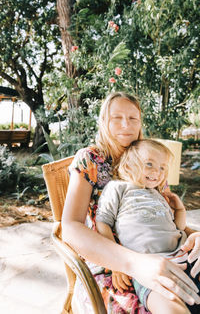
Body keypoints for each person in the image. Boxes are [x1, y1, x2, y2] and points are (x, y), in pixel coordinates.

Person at [61, 92, 200, 313]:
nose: (126, 124)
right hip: (112, 261)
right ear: (104, 122)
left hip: (166, 251)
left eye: (133, 118)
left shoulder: (150, 158)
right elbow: (70, 228)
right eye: (116, 117)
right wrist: (122, 263)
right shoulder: (91, 159)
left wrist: (194, 235)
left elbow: (163, 218)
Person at [96, 139, 200, 313]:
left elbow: (178, 228)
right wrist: (115, 263)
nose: (157, 172)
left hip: (185, 256)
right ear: (128, 166)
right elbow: (103, 223)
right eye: (149, 164)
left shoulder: (158, 194)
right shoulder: (118, 188)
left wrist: (180, 209)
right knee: (170, 307)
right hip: (149, 268)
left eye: (162, 167)